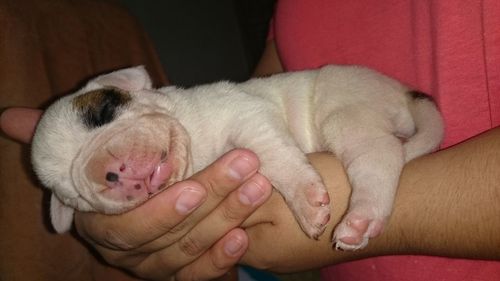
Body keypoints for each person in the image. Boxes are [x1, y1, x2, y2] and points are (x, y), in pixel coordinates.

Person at [1, 1, 500, 281]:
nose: (115, 166)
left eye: (106, 116)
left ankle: (378, 182)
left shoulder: (200, 112)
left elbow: (253, 118)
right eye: (77, 184)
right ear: (65, 209)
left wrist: (305, 185)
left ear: (132, 85)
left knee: (350, 132)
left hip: (332, 94)